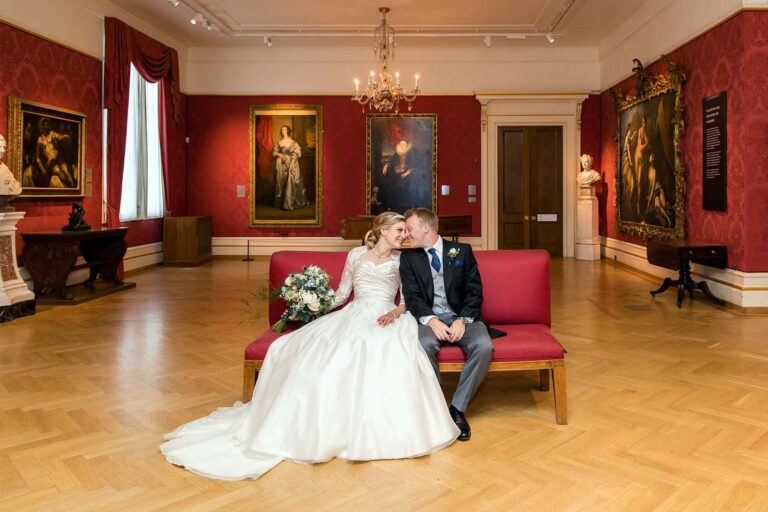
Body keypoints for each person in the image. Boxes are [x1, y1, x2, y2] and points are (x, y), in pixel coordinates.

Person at [161, 212, 460, 480]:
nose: (404, 235)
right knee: (301, 353)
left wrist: (393, 313)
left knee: (382, 353)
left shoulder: (402, 261)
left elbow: (408, 301)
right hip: (354, 314)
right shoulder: (356, 255)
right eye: (398, 230)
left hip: (387, 317)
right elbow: (343, 293)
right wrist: (309, 304)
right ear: (382, 231)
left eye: (405, 232)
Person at [399, 208, 494, 442]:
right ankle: (437, 406)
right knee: (422, 345)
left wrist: (463, 319)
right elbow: (412, 297)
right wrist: (431, 320)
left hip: (462, 317)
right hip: (429, 318)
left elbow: (474, 291)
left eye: (410, 229)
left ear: (426, 228)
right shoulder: (409, 257)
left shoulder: (462, 251)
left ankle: (457, 408)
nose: (406, 234)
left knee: (484, 347)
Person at [272, 125, 308, 210]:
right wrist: (279, 154)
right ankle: (280, 203)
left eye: (284, 130)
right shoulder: (279, 142)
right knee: (280, 181)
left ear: (288, 131)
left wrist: (292, 161)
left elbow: (297, 153)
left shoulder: (292, 142)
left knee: (290, 180)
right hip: (280, 164)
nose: (283, 131)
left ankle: (289, 202)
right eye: (282, 130)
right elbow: (274, 152)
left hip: (290, 162)